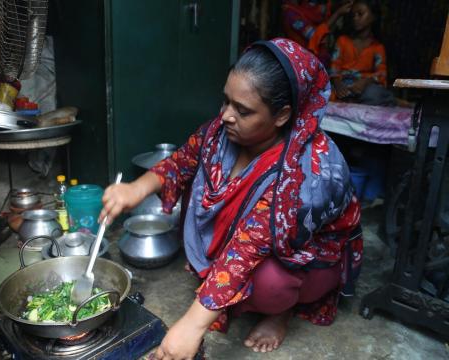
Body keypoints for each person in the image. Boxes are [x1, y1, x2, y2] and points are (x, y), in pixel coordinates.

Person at [100, 38, 363, 359]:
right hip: (247, 243)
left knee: (270, 284)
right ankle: (223, 295)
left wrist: (191, 326)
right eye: (225, 101)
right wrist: (134, 190)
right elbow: (183, 160)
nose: (225, 115)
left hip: (304, 260)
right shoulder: (219, 132)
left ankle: (281, 312)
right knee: (196, 205)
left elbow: (247, 248)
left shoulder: (306, 173)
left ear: (281, 115)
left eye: (243, 110)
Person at [329, 0, 395, 105]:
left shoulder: (377, 47)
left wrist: (365, 82)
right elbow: (334, 69)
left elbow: (381, 74)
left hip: (364, 88)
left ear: (373, 17)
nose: (355, 18)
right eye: (353, 15)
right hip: (342, 86)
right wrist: (337, 84)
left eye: (360, 14)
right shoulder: (342, 41)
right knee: (326, 93)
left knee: (373, 94)